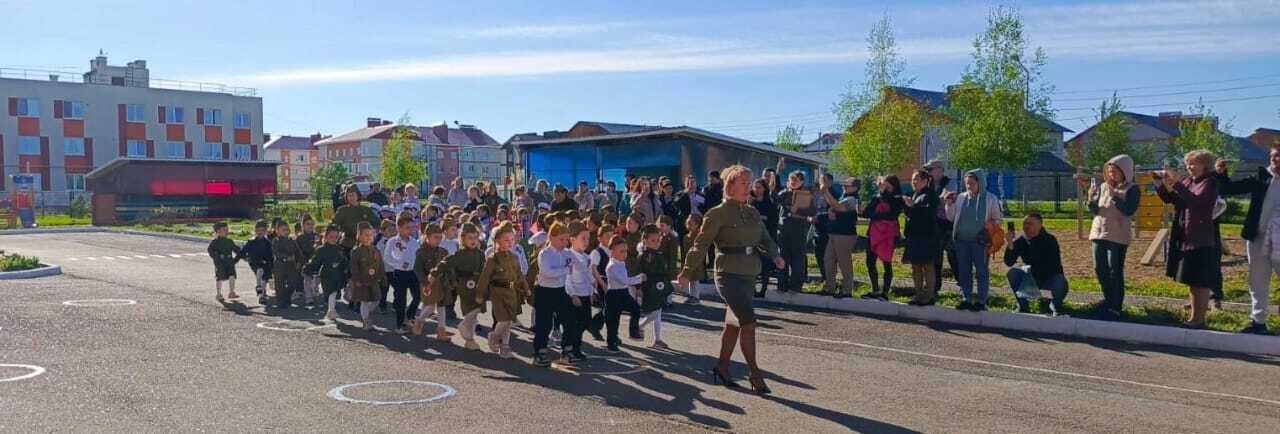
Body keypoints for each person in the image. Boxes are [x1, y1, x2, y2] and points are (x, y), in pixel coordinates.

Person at [678, 164, 784, 395]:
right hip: (728, 275)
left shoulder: (751, 212)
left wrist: (775, 255)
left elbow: (765, 238)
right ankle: (755, 373)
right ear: (730, 186)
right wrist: (687, 271)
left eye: (750, 183)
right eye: (744, 183)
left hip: (749, 274)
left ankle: (722, 368)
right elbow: (701, 244)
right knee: (748, 321)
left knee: (733, 324)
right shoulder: (717, 213)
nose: (749, 187)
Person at [1153, 150, 1221, 329]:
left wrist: (1176, 183)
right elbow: (1173, 200)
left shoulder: (1210, 182)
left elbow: (1196, 203)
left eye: (1193, 163)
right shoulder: (1187, 181)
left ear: (1204, 165)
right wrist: (1159, 184)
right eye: (1188, 164)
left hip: (1201, 238)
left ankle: (1199, 320)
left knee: (1200, 281)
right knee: (1191, 281)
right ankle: (1194, 318)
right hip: (1184, 236)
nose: (1189, 167)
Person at [1218, 147, 1280, 334]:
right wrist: (1221, 174)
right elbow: (1229, 188)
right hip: (1258, 238)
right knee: (1258, 280)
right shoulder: (1261, 178)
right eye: (1274, 156)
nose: (1276, 160)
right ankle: (1258, 321)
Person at [1084, 154, 1140, 320]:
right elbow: (1095, 210)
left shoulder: (1132, 189)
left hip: (1118, 235)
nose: (1111, 175)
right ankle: (1108, 300)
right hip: (1098, 232)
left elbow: (1129, 210)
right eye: (1109, 171)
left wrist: (1114, 194)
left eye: (1115, 171)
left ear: (1125, 172)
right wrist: (1090, 198)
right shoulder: (1102, 187)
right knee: (1099, 268)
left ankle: (1116, 306)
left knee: (1115, 271)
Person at [944, 170, 1002, 311]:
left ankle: (981, 301)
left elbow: (998, 219)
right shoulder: (961, 198)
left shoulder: (990, 199)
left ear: (980, 183)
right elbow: (951, 218)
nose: (969, 186)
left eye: (972, 183)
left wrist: (992, 224)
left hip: (980, 242)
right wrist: (949, 205)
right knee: (964, 270)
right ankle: (967, 298)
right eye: (967, 183)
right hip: (961, 241)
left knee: (981, 271)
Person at [476, 222, 531, 359]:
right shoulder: (492, 259)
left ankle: (505, 347)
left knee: (509, 320)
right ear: (497, 241)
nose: (510, 243)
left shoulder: (514, 257)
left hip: (511, 292)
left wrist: (526, 288)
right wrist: (479, 294)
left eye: (512, 240)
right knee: (504, 320)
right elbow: (484, 278)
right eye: (506, 240)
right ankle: (494, 336)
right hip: (498, 292)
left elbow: (519, 275)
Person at [1003, 213, 1068, 315]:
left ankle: (1055, 306)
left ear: (1040, 225)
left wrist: (1030, 273)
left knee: (1060, 281)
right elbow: (1009, 262)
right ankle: (1023, 306)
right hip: (1031, 277)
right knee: (1013, 273)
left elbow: (1052, 265)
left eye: (1030, 223)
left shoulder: (1050, 240)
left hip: (1049, 277)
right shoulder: (1021, 240)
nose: (1026, 226)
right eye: (1024, 223)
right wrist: (1010, 243)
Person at [437, 224, 487, 349]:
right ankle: (467, 334)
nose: (473, 240)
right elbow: (445, 263)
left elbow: (484, 269)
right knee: (470, 309)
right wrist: (433, 274)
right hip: (464, 284)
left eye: (475, 237)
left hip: (477, 284)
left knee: (477, 309)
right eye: (470, 238)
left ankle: (469, 338)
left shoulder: (480, 254)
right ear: (463, 239)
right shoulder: (459, 254)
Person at [531, 222, 573, 367]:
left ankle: (567, 350)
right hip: (545, 291)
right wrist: (565, 270)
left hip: (561, 291)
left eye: (567, 239)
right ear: (552, 237)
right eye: (561, 239)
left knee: (568, 320)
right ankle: (540, 352)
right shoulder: (545, 253)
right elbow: (547, 272)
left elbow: (575, 267)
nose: (565, 243)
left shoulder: (568, 253)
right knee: (544, 324)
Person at [773, 162, 815, 293]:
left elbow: (812, 211)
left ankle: (796, 286)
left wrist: (798, 211)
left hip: (799, 230)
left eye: (795, 180)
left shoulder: (807, 194)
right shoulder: (784, 193)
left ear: (801, 181)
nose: (792, 182)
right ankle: (782, 285)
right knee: (783, 257)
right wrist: (777, 173)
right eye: (791, 179)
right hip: (784, 230)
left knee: (798, 259)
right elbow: (774, 194)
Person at [902, 170, 941, 306]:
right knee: (915, 267)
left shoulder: (930, 195)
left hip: (927, 236)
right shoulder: (913, 195)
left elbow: (928, 214)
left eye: (917, 179)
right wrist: (908, 208)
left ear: (925, 181)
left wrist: (913, 207)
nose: (914, 182)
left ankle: (929, 296)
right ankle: (918, 294)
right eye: (913, 179)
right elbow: (910, 214)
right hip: (913, 235)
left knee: (928, 266)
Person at [817, 177, 859, 299]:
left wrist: (825, 191)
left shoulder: (853, 199)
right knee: (828, 260)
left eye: (848, 185)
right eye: (844, 184)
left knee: (844, 263)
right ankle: (830, 287)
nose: (844, 186)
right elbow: (835, 207)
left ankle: (847, 290)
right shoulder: (844, 196)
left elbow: (838, 206)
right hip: (835, 233)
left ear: (855, 188)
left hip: (845, 235)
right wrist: (831, 212)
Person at [862, 175, 903, 300]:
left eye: (886, 184)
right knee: (870, 262)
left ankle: (885, 292)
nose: (883, 186)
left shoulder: (897, 198)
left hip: (888, 235)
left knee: (886, 262)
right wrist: (877, 214)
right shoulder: (877, 197)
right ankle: (875, 289)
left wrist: (876, 215)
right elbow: (865, 213)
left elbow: (892, 215)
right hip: (873, 234)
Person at [411, 223, 453, 340]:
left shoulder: (443, 251)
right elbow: (417, 269)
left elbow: (448, 267)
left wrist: (452, 281)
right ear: (427, 237)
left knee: (441, 307)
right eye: (435, 237)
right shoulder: (421, 252)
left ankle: (441, 331)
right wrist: (425, 282)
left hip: (442, 283)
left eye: (440, 237)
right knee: (430, 305)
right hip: (428, 283)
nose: (438, 240)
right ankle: (419, 321)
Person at [604, 238, 646, 352]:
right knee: (613, 320)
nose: (625, 254)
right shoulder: (612, 266)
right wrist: (639, 278)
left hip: (623, 293)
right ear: (612, 251)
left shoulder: (621, 263)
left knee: (636, 308)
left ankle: (633, 332)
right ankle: (611, 342)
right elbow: (625, 280)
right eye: (621, 251)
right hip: (614, 295)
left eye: (626, 251)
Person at [636, 224, 674, 349]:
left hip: (660, 287)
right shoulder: (643, 256)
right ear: (645, 240)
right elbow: (639, 272)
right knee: (654, 312)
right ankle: (640, 325)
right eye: (653, 240)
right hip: (649, 288)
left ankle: (657, 339)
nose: (656, 243)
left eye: (658, 240)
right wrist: (639, 288)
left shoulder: (659, 254)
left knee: (658, 313)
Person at [383, 215, 421, 334]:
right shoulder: (393, 241)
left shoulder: (414, 242)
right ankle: (399, 325)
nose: (410, 230)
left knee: (418, 296)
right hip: (400, 273)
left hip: (413, 273)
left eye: (411, 227)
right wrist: (398, 263)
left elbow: (418, 256)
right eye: (406, 227)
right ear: (399, 228)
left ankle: (410, 314)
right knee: (401, 300)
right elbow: (387, 257)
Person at [564, 221, 595, 362]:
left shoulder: (587, 257)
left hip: (584, 295)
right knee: (572, 324)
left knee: (585, 322)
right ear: (572, 239)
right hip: (574, 296)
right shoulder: (569, 256)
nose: (586, 241)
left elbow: (589, 277)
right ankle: (567, 350)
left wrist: (591, 292)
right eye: (583, 238)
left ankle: (576, 348)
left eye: (588, 238)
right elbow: (567, 277)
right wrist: (572, 294)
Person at [925, 160, 956, 297]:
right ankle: (935, 287)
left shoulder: (950, 182)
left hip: (949, 225)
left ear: (940, 170)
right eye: (927, 170)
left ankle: (963, 285)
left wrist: (934, 200)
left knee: (954, 256)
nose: (928, 173)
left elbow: (947, 199)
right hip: (934, 225)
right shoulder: (928, 184)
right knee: (935, 258)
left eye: (930, 170)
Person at [304, 225, 349, 321]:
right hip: (327, 275)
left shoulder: (339, 249)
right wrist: (308, 268)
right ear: (326, 237)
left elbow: (344, 261)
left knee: (335, 293)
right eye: (331, 237)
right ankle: (331, 311)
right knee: (331, 292)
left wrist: (346, 269)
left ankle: (331, 308)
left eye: (336, 237)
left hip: (338, 275)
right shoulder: (321, 249)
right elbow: (315, 261)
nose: (333, 239)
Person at [349, 221, 387, 331]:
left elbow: (380, 265)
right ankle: (366, 320)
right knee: (364, 301)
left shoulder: (375, 250)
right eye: (366, 235)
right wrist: (356, 279)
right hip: (362, 281)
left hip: (374, 280)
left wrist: (383, 277)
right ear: (359, 236)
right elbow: (354, 267)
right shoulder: (356, 251)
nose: (369, 237)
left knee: (377, 299)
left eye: (371, 235)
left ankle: (365, 313)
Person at [749, 179, 780, 297]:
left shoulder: (770, 203)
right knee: (752, 263)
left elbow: (773, 222)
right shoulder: (750, 203)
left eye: (759, 187)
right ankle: (752, 288)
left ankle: (763, 288)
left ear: (764, 189)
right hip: (751, 237)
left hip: (765, 237)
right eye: (755, 187)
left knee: (765, 264)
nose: (756, 190)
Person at [333, 186, 379, 251]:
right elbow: (334, 225)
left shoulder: (366, 210)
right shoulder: (342, 210)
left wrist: (372, 232)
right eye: (349, 195)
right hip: (347, 243)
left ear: (358, 195)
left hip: (364, 243)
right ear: (346, 197)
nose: (351, 198)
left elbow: (377, 223)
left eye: (353, 195)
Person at [240, 220, 274, 305]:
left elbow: (271, 254)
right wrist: (245, 257)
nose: (260, 232)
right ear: (255, 230)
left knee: (264, 278)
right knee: (259, 272)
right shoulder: (251, 242)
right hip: (254, 262)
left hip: (266, 263)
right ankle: (261, 294)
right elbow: (243, 251)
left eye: (263, 230)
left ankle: (262, 291)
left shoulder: (267, 243)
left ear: (266, 231)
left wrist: (272, 263)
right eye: (258, 230)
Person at [207, 222, 241, 303]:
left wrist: (237, 258)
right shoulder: (214, 242)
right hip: (220, 264)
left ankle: (231, 292)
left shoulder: (229, 241)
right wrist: (217, 257)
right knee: (219, 278)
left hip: (229, 262)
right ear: (218, 231)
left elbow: (236, 250)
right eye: (224, 229)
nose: (227, 231)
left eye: (227, 229)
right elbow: (210, 251)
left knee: (232, 275)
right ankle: (218, 294)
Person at [295, 216, 321, 308]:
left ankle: (314, 289)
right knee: (307, 278)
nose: (310, 226)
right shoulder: (300, 238)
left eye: (312, 224)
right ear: (303, 225)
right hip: (304, 261)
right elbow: (297, 251)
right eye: (307, 224)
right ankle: (308, 297)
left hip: (315, 261)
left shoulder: (317, 236)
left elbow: (320, 249)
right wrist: (303, 261)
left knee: (317, 278)